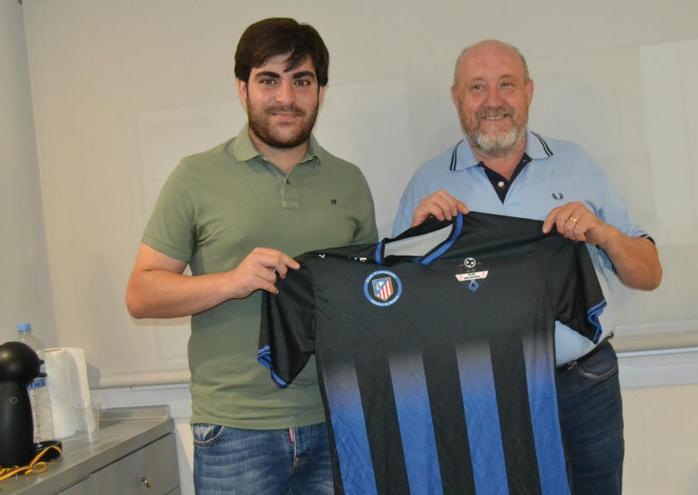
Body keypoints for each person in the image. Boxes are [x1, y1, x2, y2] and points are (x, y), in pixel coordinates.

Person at [392, 39, 662, 494]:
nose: (493, 100)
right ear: (457, 97)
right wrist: (412, 243)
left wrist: (605, 235)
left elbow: (650, 274)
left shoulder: (576, 165)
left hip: (582, 387)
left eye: (506, 85)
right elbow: (394, 309)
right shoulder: (427, 184)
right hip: (478, 395)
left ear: (529, 92)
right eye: (477, 87)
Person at [125, 18, 377, 494]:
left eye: (301, 80)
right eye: (269, 79)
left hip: (335, 421)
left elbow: (367, 297)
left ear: (321, 91)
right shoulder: (194, 177)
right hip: (235, 431)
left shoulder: (350, 182)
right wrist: (232, 281)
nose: (286, 97)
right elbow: (141, 293)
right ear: (243, 89)